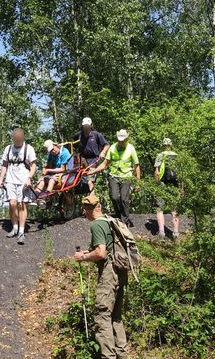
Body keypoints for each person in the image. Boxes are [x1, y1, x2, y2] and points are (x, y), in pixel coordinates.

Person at [74, 193, 128, 359]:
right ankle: (122, 354)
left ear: (89, 210)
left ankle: (108, 356)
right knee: (116, 317)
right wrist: (89, 252)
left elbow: (101, 253)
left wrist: (82, 257)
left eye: (84, 210)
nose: (84, 213)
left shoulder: (97, 225)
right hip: (121, 273)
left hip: (109, 275)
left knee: (102, 315)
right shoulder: (109, 221)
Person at [87, 129, 140, 227]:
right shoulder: (112, 148)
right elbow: (104, 164)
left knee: (124, 198)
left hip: (126, 176)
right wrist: (93, 171)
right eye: (119, 140)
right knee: (114, 197)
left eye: (123, 140)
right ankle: (119, 215)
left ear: (126, 139)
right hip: (113, 176)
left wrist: (138, 182)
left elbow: (136, 166)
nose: (121, 141)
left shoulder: (131, 148)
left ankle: (124, 220)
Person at [0, 128, 37, 244]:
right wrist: (1, 179)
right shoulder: (8, 149)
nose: (17, 141)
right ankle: (14, 227)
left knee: (22, 204)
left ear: (23, 138)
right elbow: (4, 165)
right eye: (15, 140)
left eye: (19, 140)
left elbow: (33, 165)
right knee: (12, 203)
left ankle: (21, 231)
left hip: (23, 180)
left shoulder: (28, 149)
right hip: (10, 179)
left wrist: (29, 178)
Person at [73, 117, 109, 192]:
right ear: (82, 126)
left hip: (94, 160)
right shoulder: (78, 136)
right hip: (82, 160)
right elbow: (72, 146)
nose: (86, 128)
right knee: (78, 180)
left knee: (90, 179)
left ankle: (91, 199)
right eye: (84, 126)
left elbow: (106, 145)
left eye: (87, 126)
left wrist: (103, 152)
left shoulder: (96, 135)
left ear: (91, 126)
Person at [153, 138, 180, 239]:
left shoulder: (160, 155)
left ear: (163, 145)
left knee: (160, 209)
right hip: (174, 185)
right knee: (174, 209)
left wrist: (155, 185)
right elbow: (181, 174)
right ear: (171, 145)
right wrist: (181, 188)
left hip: (162, 184)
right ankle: (176, 233)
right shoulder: (176, 156)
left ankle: (162, 233)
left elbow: (156, 172)